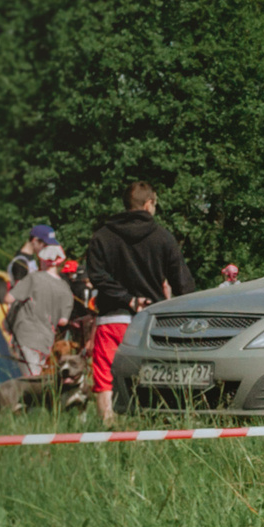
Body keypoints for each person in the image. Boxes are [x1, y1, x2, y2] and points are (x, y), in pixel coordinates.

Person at [82, 180, 194, 425]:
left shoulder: (102, 236)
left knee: (105, 374)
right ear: (148, 204)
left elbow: (98, 277)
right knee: (154, 372)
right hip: (151, 320)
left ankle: (107, 425)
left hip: (112, 317)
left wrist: (127, 299)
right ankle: (151, 424)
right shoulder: (163, 237)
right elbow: (182, 281)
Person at [3, 251, 74, 376]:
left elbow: (9, 298)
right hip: (46, 341)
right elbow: (63, 321)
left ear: (43, 260)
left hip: (26, 336)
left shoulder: (34, 278)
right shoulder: (65, 288)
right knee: (36, 374)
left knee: (26, 379)